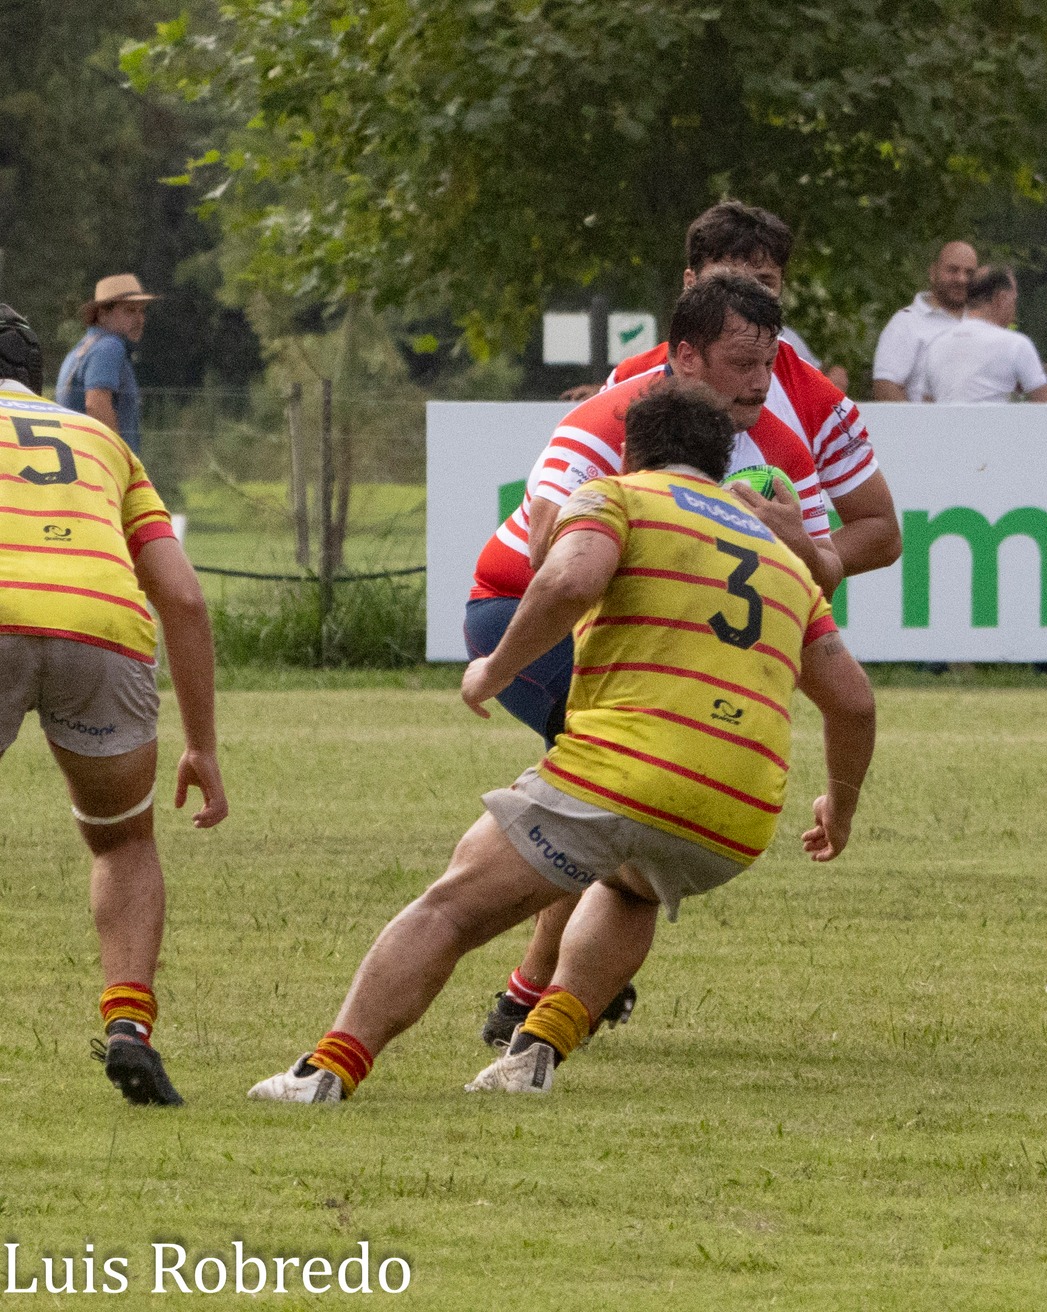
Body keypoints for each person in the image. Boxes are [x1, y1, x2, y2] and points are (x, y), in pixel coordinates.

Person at [250, 382, 876, 1101]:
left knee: (452, 906)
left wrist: (492, 671)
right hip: (737, 812)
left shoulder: (618, 495)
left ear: (630, 452)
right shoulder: (781, 556)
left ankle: (327, 1070)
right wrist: (842, 808)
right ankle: (536, 1052)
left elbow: (572, 579)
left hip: (628, 771)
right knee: (631, 886)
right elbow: (853, 702)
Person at [468, 273, 843, 1041]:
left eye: (770, 364)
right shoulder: (612, 418)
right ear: (686, 355)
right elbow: (550, 554)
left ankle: (535, 992)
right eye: (744, 364)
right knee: (616, 800)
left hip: (642, 624)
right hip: (521, 608)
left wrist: (787, 534)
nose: (761, 384)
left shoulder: (772, 443)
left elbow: (822, 565)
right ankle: (531, 991)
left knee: (630, 815)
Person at [0, 304, 227, 1106]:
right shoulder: (104, 442)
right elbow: (185, 600)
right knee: (121, 841)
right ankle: (129, 1025)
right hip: (101, 623)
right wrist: (201, 746)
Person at [593, 201, 901, 578]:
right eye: (725, 280)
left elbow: (882, 531)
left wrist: (777, 559)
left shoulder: (816, 397)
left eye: (764, 282)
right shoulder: (631, 379)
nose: (744, 296)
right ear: (690, 284)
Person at [924, 266, 1047, 403]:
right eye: (1014, 300)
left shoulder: (936, 345)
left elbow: (927, 406)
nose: (1014, 311)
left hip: (944, 424)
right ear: (1001, 298)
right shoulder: (1016, 345)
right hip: (993, 424)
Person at [55, 274, 154, 455]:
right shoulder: (109, 346)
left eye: (141, 311)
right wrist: (120, 458)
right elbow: (96, 403)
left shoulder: (83, 348)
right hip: (99, 463)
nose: (140, 319)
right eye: (130, 311)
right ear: (102, 314)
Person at [871, 240, 977, 402]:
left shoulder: (982, 324)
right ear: (933, 272)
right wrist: (918, 425)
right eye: (952, 270)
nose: (961, 279)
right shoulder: (906, 322)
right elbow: (885, 387)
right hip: (927, 425)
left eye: (969, 273)